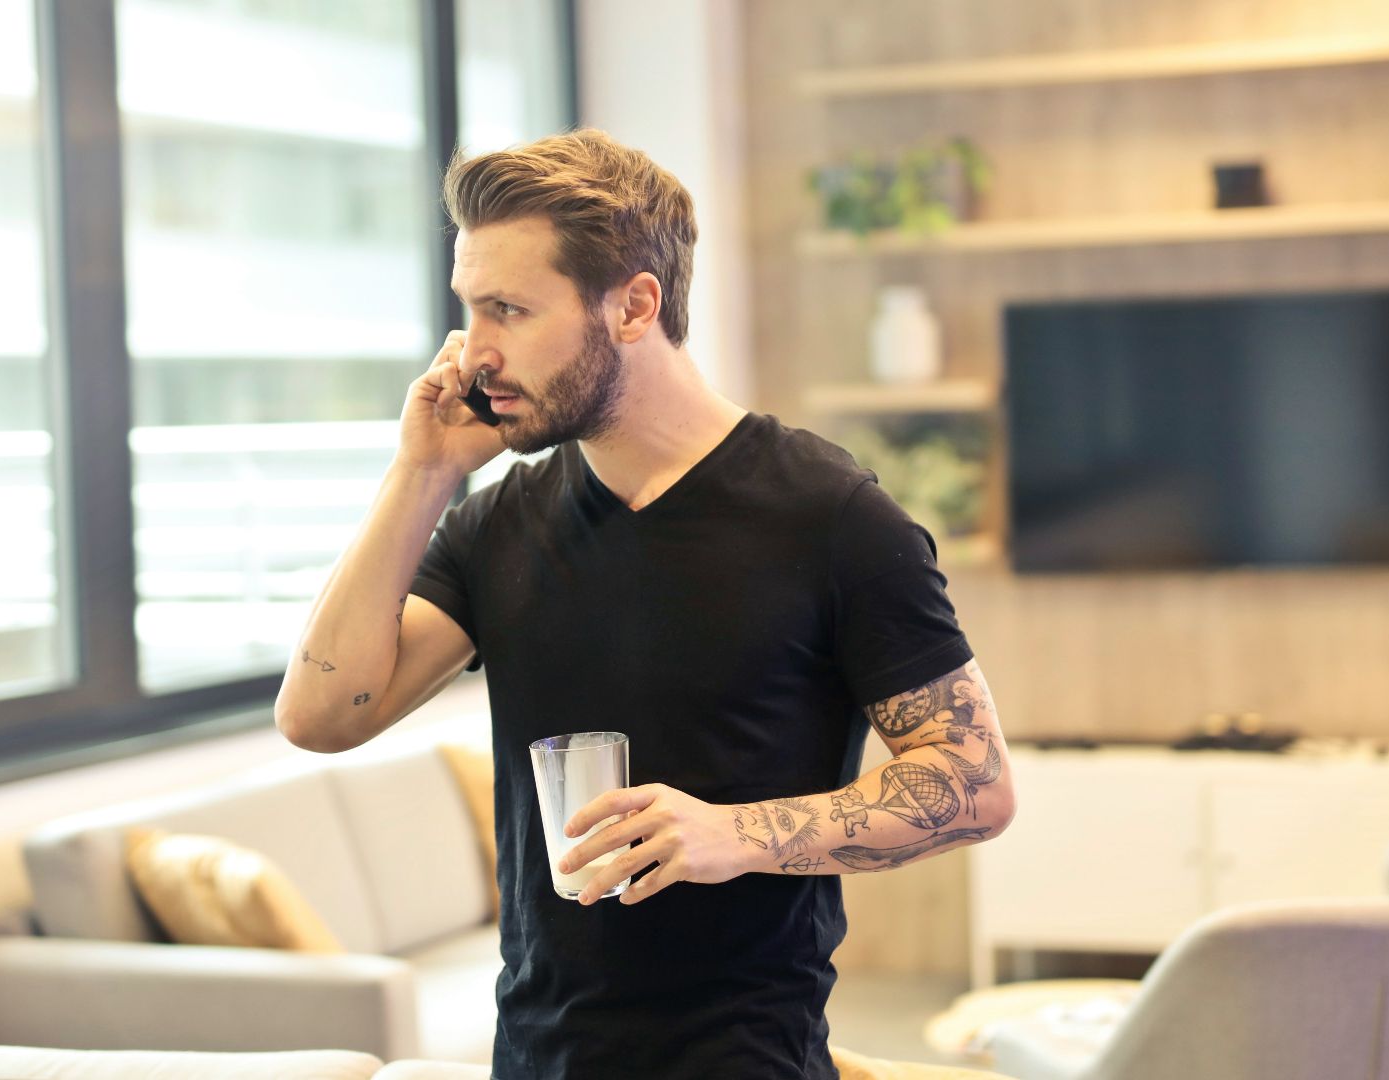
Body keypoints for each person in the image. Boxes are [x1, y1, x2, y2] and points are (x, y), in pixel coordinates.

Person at [276, 128, 1016, 1080]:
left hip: (746, 1059)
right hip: (535, 1057)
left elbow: (975, 781)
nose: (473, 353)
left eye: (509, 310)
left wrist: (730, 834)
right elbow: (321, 716)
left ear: (633, 306)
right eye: (469, 308)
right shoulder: (496, 523)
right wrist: (420, 474)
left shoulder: (830, 515)